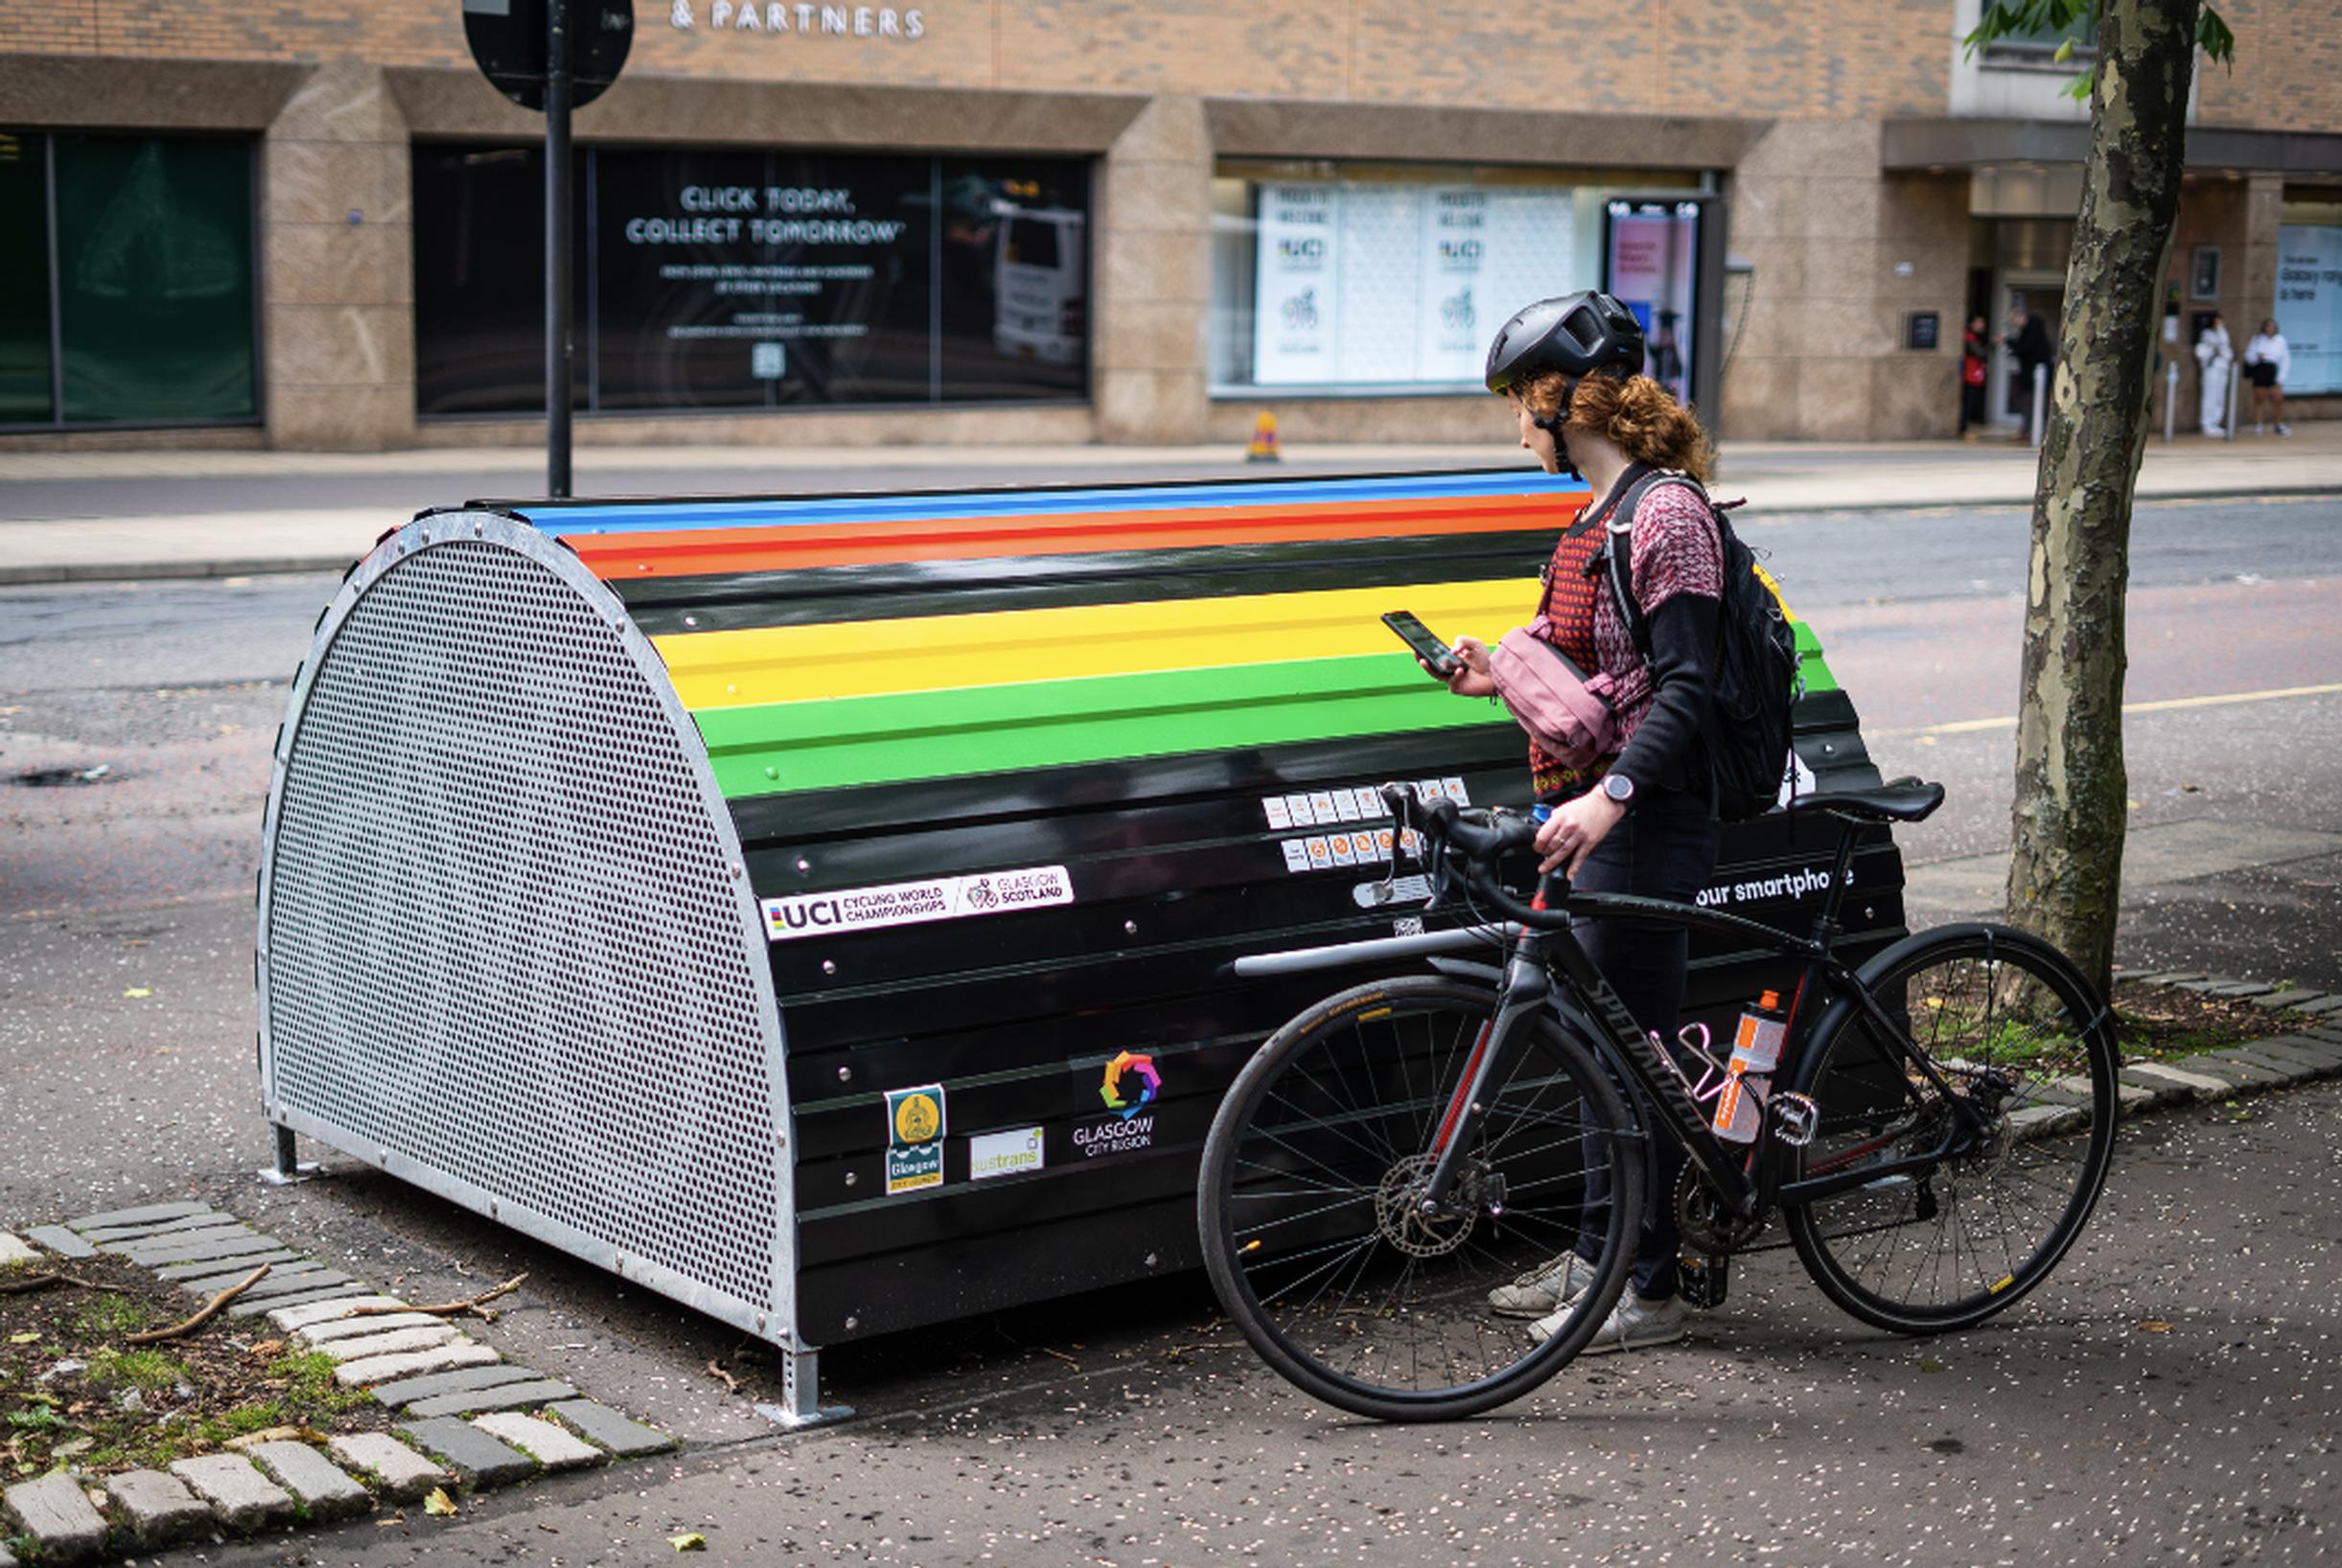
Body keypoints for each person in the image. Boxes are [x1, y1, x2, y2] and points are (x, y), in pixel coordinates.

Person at [1433, 290, 1725, 1354]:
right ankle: (1610, 1250)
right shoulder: (1598, 516)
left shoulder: (1667, 517)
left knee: (1627, 1060)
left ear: (1569, 398)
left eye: (1523, 401)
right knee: (1607, 1056)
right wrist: (1493, 679)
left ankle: (1647, 1290)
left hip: (1643, 820)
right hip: (1596, 813)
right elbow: (1606, 677)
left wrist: (1613, 796)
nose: (1518, 426)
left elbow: (1686, 688)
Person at [2001, 303, 2053, 442]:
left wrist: (2009, 342)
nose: (2014, 323)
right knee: (2029, 403)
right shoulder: (2029, 330)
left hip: (2034, 374)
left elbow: (2024, 348)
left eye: (2014, 319)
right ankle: (2028, 430)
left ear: (2021, 316)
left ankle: (2031, 431)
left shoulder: (2033, 329)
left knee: (2032, 403)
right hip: (2031, 374)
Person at [2243, 318, 2291, 435]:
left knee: (2278, 398)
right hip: (2260, 368)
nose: (2270, 329)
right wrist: (2257, 357)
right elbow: (2248, 356)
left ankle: (2278, 424)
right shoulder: (2257, 339)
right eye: (2268, 326)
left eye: (2272, 327)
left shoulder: (2280, 340)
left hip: (2272, 369)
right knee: (2260, 398)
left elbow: (2285, 359)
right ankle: (2258, 424)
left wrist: (2281, 377)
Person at [2195, 312, 2235, 437]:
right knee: (2210, 397)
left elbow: (2226, 350)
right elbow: (2203, 351)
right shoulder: (2207, 334)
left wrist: (2221, 330)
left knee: (2219, 397)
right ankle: (2207, 423)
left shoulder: (2223, 334)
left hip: (2222, 368)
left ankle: (2216, 422)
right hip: (2211, 368)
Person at [1959, 314, 1990, 438]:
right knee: (1967, 402)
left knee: (1970, 401)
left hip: (1974, 375)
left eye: (1983, 323)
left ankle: (1965, 427)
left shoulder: (1976, 337)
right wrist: (1994, 344)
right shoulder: (1969, 337)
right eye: (1979, 323)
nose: (1982, 325)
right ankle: (1963, 428)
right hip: (1969, 375)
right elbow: (1980, 352)